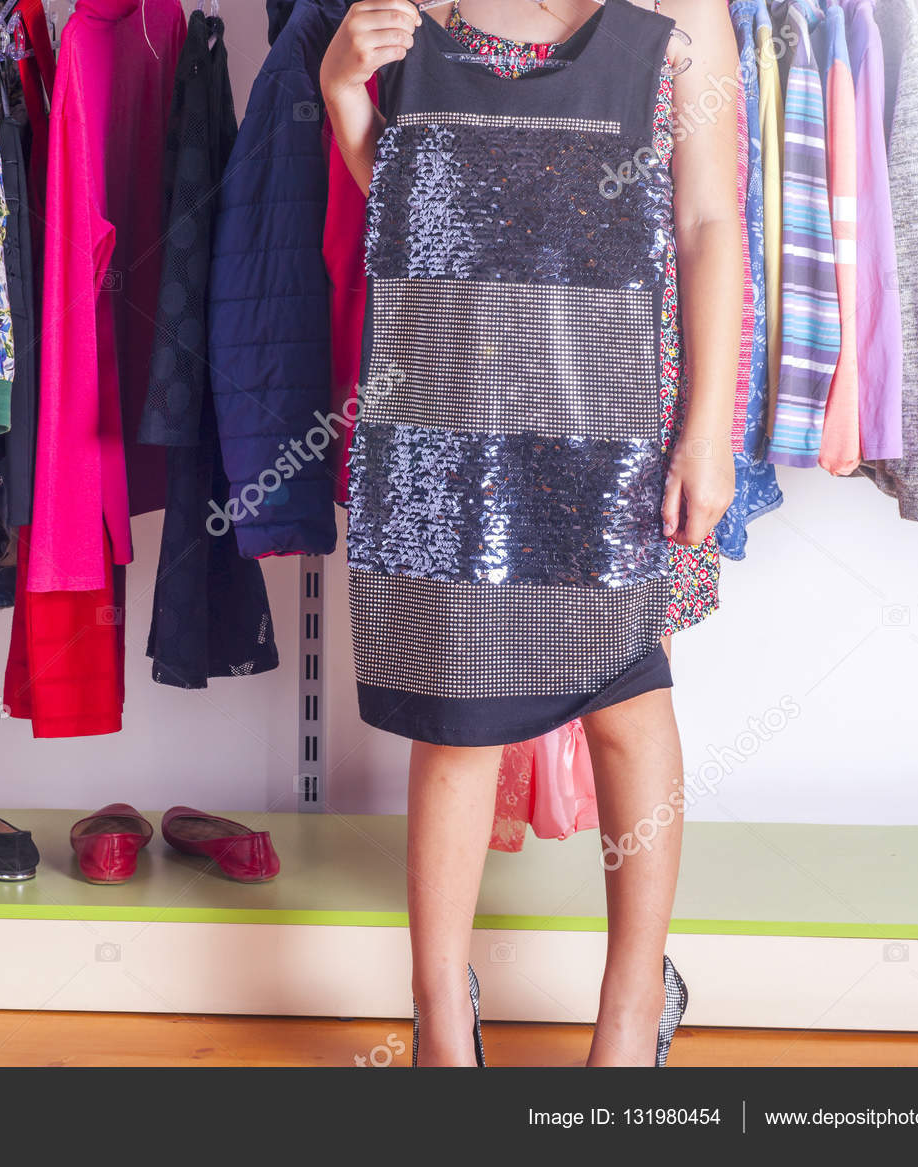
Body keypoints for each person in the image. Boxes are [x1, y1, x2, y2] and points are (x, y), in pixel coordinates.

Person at [321, 0, 742, 1066]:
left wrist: (707, 430)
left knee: (627, 703)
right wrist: (339, 96)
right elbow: (420, 211)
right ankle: (442, 1032)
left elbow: (707, 221)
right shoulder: (410, 8)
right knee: (454, 725)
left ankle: (630, 1015)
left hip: (612, 411)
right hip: (448, 418)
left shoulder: (683, 12)